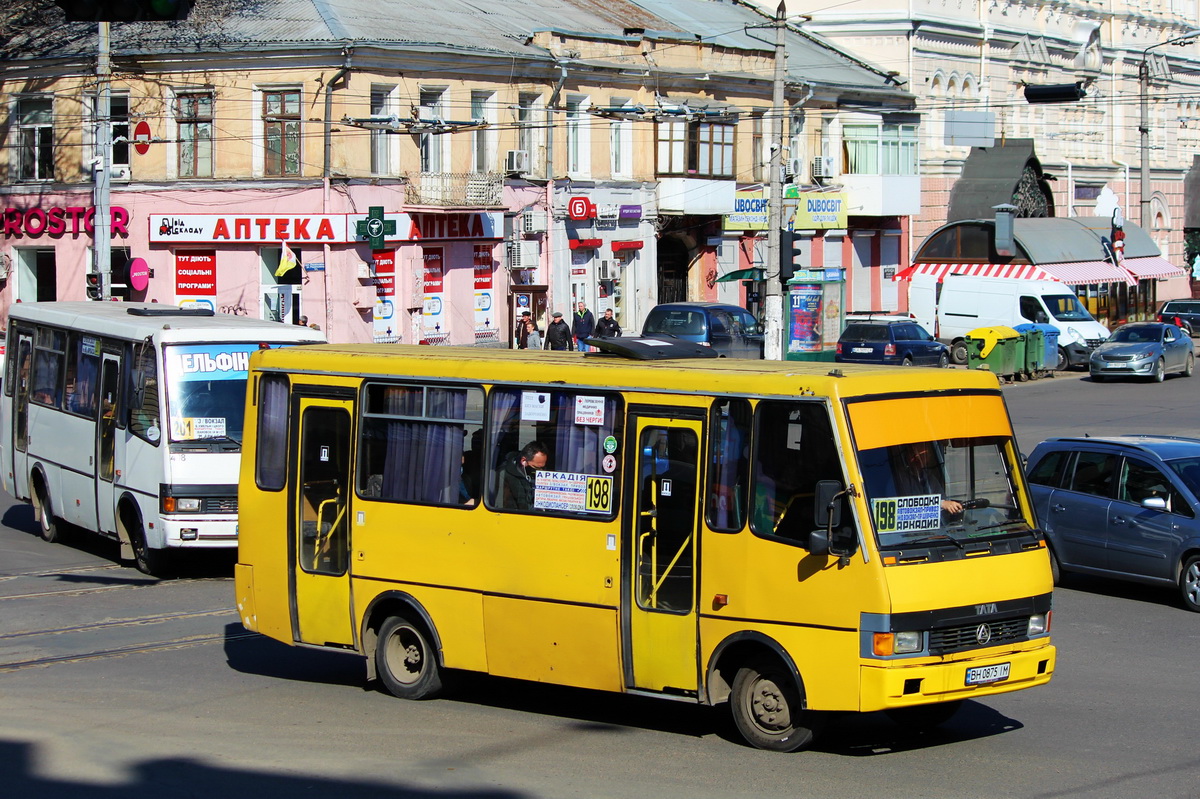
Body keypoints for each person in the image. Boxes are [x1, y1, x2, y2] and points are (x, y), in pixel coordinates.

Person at [894, 441, 962, 515]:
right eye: (914, 454)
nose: (917, 458)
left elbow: (942, 498)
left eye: (923, 455)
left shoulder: (929, 478)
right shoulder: (901, 479)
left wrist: (949, 505)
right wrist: (941, 504)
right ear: (908, 456)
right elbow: (910, 504)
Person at [499, 441, 548, 510]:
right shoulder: (505, 475)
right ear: (523, 461)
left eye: (543, 468)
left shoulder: (534, 474)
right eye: (537, 468)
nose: (541, 472)